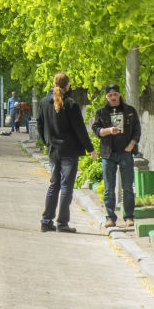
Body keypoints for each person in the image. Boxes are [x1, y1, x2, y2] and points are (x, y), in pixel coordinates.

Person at [37, 72, 97, 232]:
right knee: (66, 186)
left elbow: (40, 126)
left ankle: (46, 221)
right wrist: (90, 148)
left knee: (54, 184)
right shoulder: (70, 104)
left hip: (53, 151)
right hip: (69, 151)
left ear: (53, 83)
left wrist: (48, 143)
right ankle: (62, 223)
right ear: (67, 85)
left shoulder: (43, 102)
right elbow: (80, 129)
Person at [90, 84, 142, 228]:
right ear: (106, 97)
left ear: (119, 95)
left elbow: (137, 131)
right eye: (110, 95)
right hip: (109, 153)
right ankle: (110, 218)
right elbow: (96, 129)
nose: (113, 97)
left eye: (115, 95)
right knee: (109, 188)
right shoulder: (101, 113)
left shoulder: (129, 111)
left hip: (125, 153)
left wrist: (131, 146)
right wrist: (108, 130)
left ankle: (129, 217)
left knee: (127, 187)